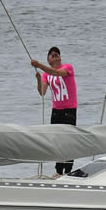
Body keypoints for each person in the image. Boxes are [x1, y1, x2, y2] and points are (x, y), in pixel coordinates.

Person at [31, 47, 78, 176]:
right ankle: (58, 171)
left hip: (69, 109)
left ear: (60, 58)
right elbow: (42, 92)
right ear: (49, 60)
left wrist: (39, 65)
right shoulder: (46, 75)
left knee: (69, 141)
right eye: (52, 55)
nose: (55, 55)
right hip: (56, 111)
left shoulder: (68, 67)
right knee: (57, 141)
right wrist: (38, 79)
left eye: (57, 54)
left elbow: (56, 73)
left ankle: (68, 171)